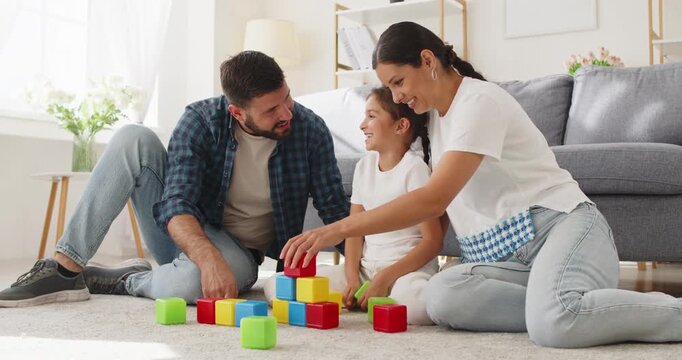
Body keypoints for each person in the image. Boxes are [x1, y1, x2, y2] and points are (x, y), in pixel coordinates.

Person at [279, 22, 682, 348]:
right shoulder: (434, 121)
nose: (398, 96)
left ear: (427, 59)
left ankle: (588, 308)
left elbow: (433, 199)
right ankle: (566, 300)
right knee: (442, 297)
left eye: (400, 81)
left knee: (554, 327)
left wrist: (337, 229)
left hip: (564, 229)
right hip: (509, 263)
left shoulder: (479, 102)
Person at [0, 51, 349, 307]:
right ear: (237, 111)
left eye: (287, 98)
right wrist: (209, 260)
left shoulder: (309, 128)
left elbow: (334, 206)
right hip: (185, 233)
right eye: (271, 110)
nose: (286, 113)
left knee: (184, 288)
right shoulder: (201, 120)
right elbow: (177, 203)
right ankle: (64, 270)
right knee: (132, 137)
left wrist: (367, 268)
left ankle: (128, 278)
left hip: (241, 251)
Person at [265, 87, 442, 325]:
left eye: (371, 116)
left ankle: (395, 293)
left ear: (401, 126)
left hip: (405, 273)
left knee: (417, 308)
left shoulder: (415, 170)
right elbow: (354, 232)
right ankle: (369, 297)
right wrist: (351, 280)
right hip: (365, 272)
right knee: (275, 286)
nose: (362, 125)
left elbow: (433, 242)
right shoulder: (364, 167)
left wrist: (384, 279)